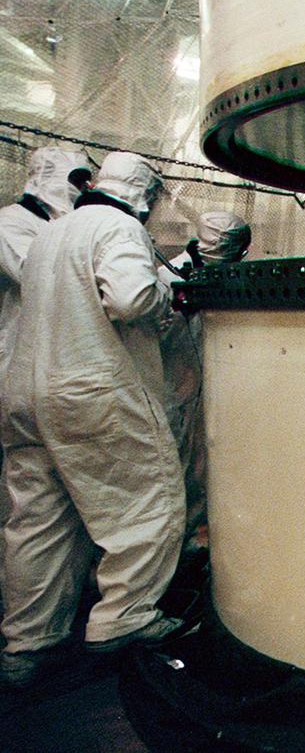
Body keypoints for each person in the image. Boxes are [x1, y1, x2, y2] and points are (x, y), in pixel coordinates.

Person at [0, 151, 184, 688]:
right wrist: (166, 295)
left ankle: (26, 647)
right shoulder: (118, 225)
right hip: (91, 391)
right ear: (144, 195)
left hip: (27, 392)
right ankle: (124, 618)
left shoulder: (53, 232)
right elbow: (130, 299)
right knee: (150, 500)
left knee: (38, 522)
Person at [0, 148, 92, 588]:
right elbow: (35, 274)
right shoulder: (11, 224)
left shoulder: (58, 229)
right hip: (27, 379)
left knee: (68, 511)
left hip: (65, 383)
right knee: (35, 513)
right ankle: (26, 641)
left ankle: (59, 623)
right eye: (77, 179)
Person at [159, 211, 250, 545]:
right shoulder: (167, 278)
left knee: (199, 467)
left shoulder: (224, 277)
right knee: (170, 472)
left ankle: (191, 542)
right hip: (169, 392)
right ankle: (171, 549)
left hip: (202, 393)